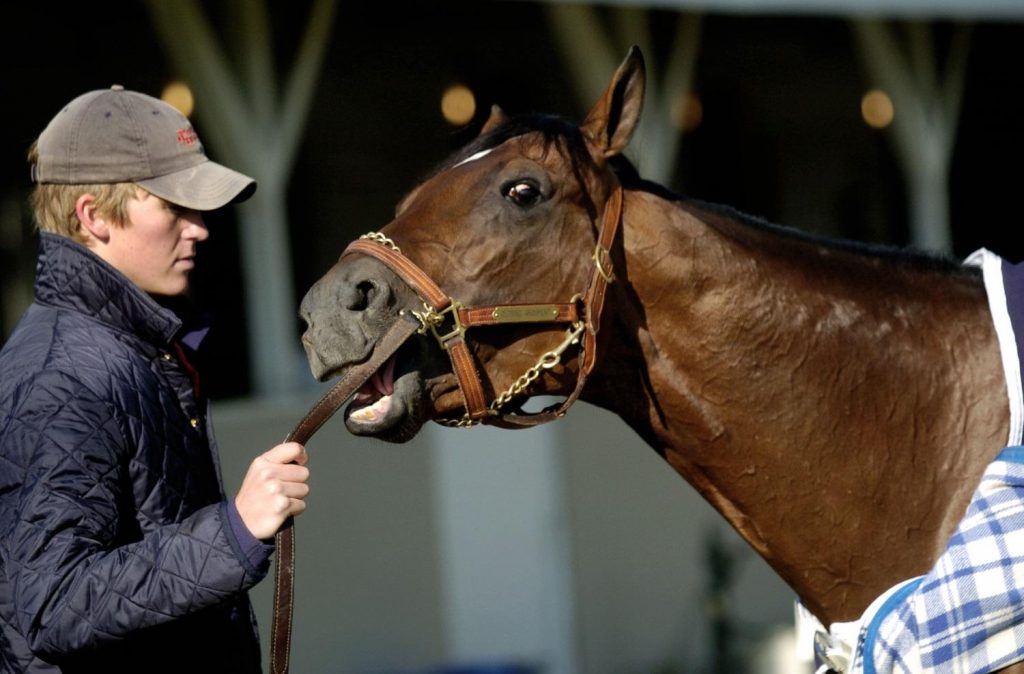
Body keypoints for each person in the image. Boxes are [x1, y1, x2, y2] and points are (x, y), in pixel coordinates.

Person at [0, 86, 309, 673]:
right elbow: (54, 605)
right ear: (92, 217)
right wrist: (233, 532)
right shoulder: (60, 377)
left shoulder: (134, 348)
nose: (200, 229)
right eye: (174, 206)